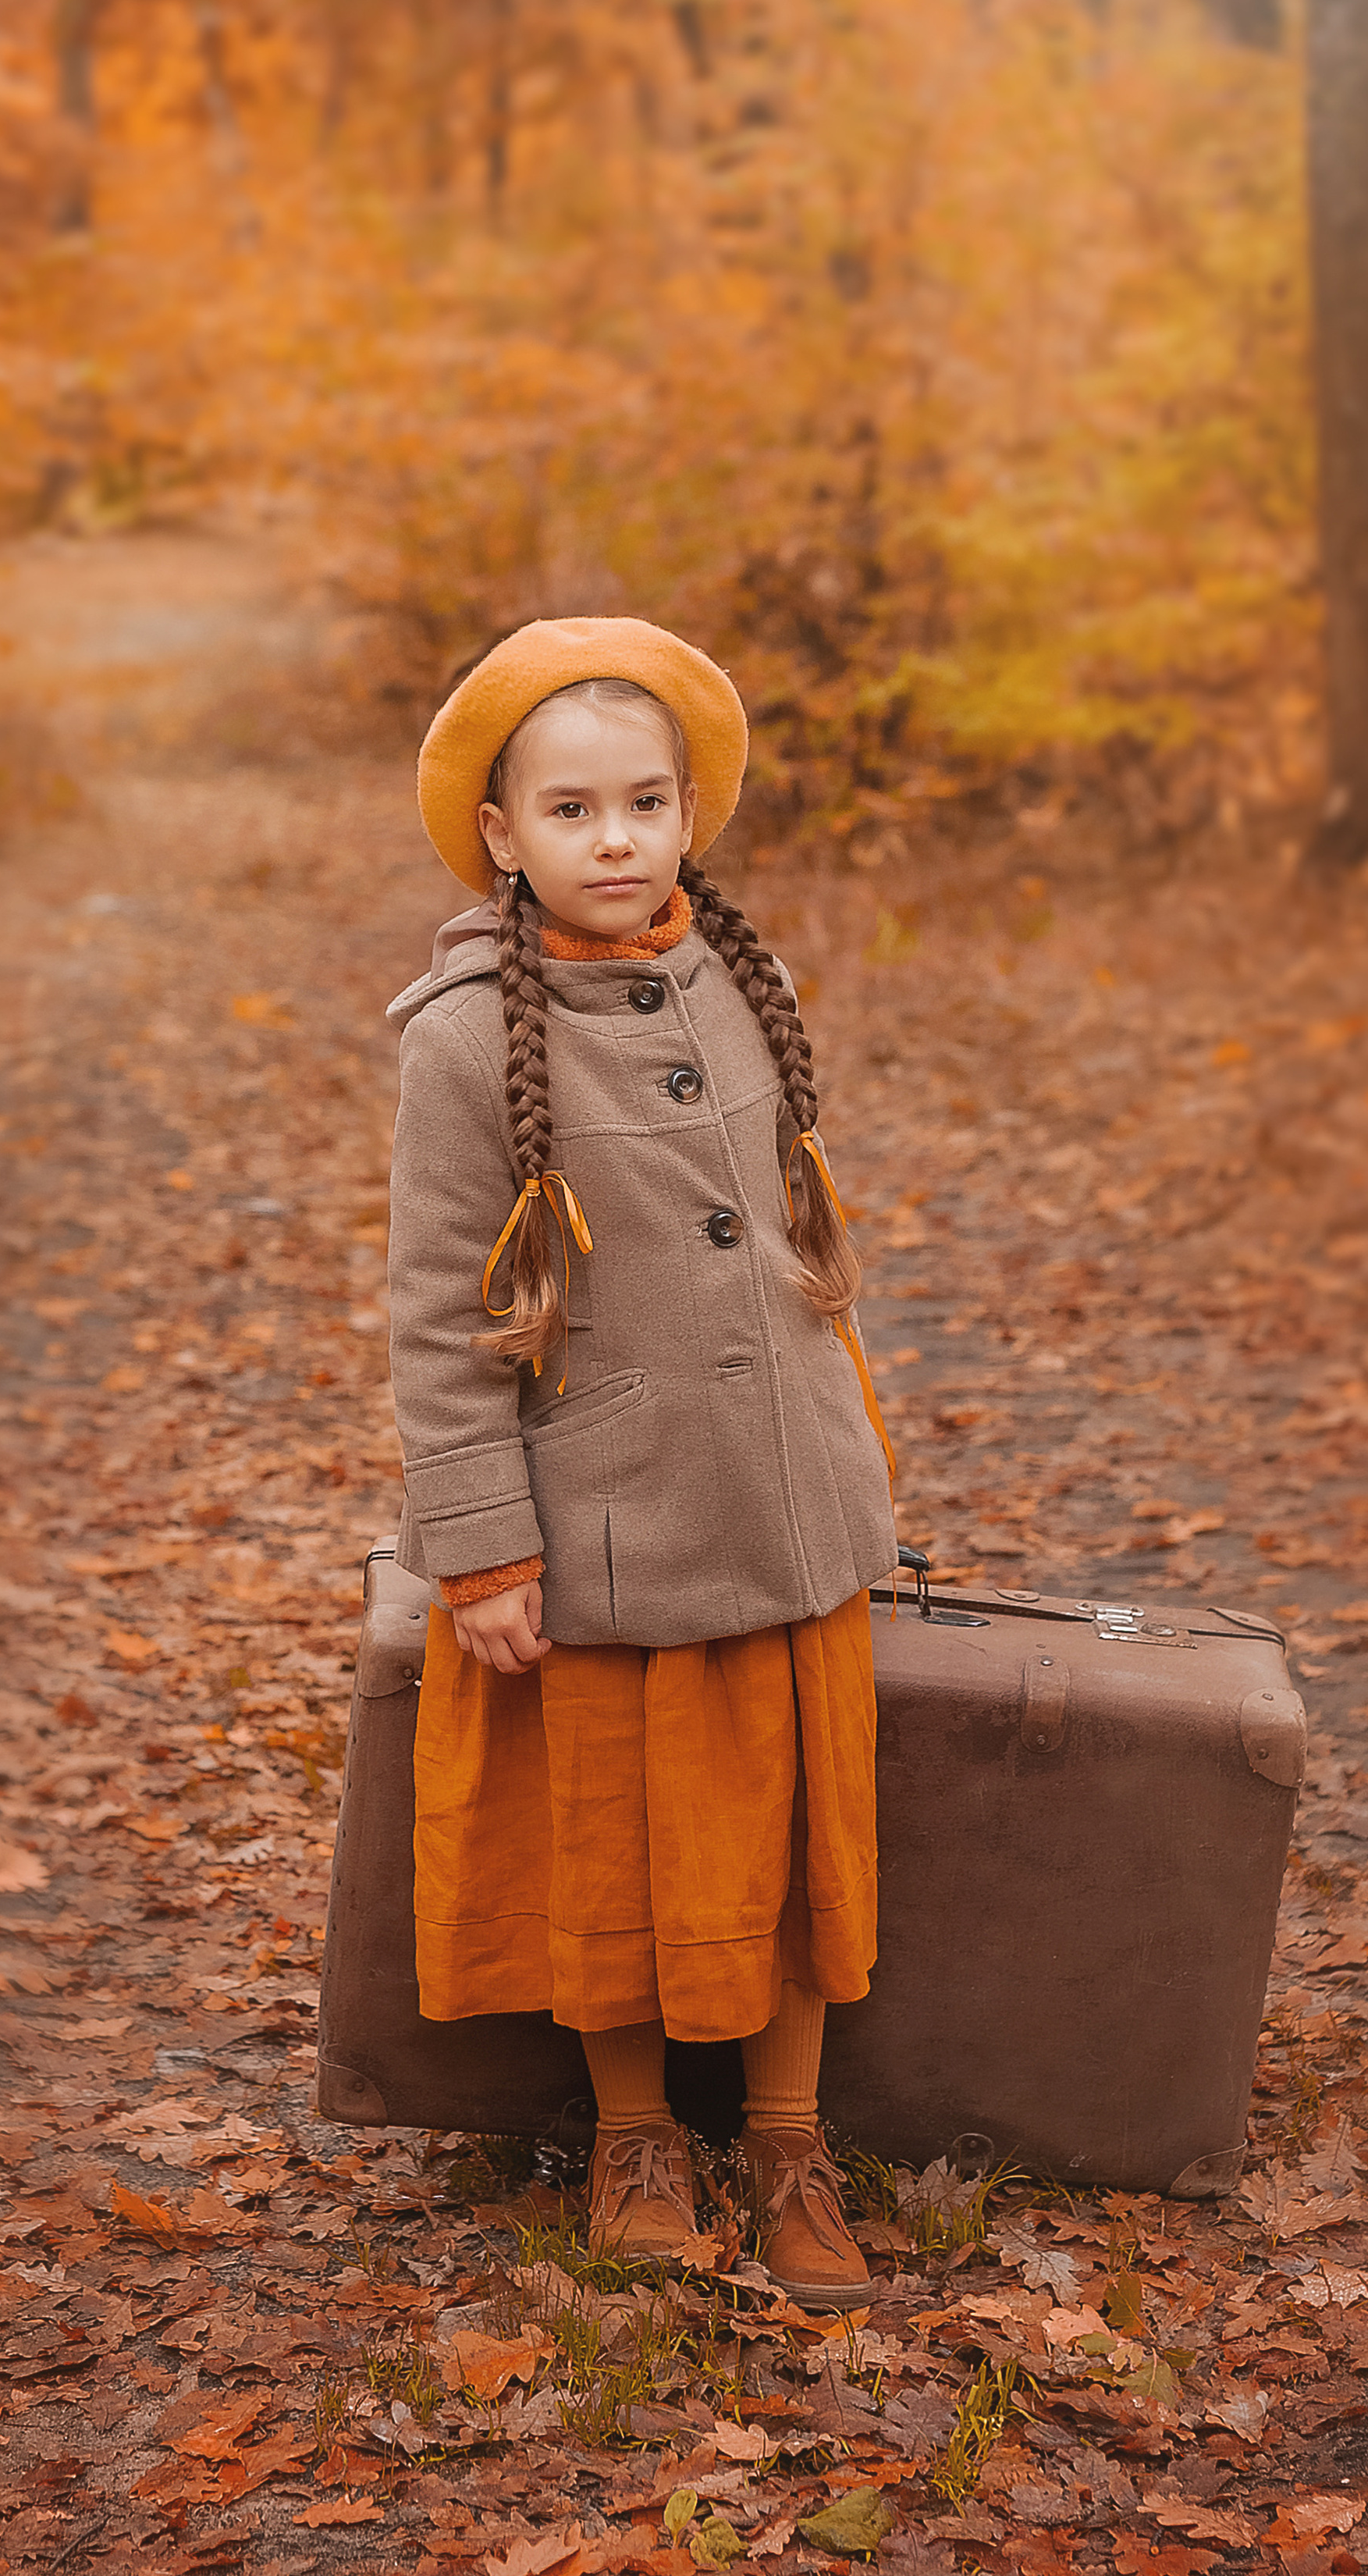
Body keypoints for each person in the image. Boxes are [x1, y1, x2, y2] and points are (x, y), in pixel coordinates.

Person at [385, 616, 897, 2307]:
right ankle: (632, 2138)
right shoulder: (463, 1040)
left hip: (778, 1487)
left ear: (688, 814)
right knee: (612, 1835)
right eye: (573, 809)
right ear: (502, 833)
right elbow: (440, 1312)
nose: (616, 840)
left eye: (645, 802)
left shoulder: (747, 980)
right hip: (605, 1514)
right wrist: (481, 1546)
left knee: (788, 1826)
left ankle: (786, 2137)